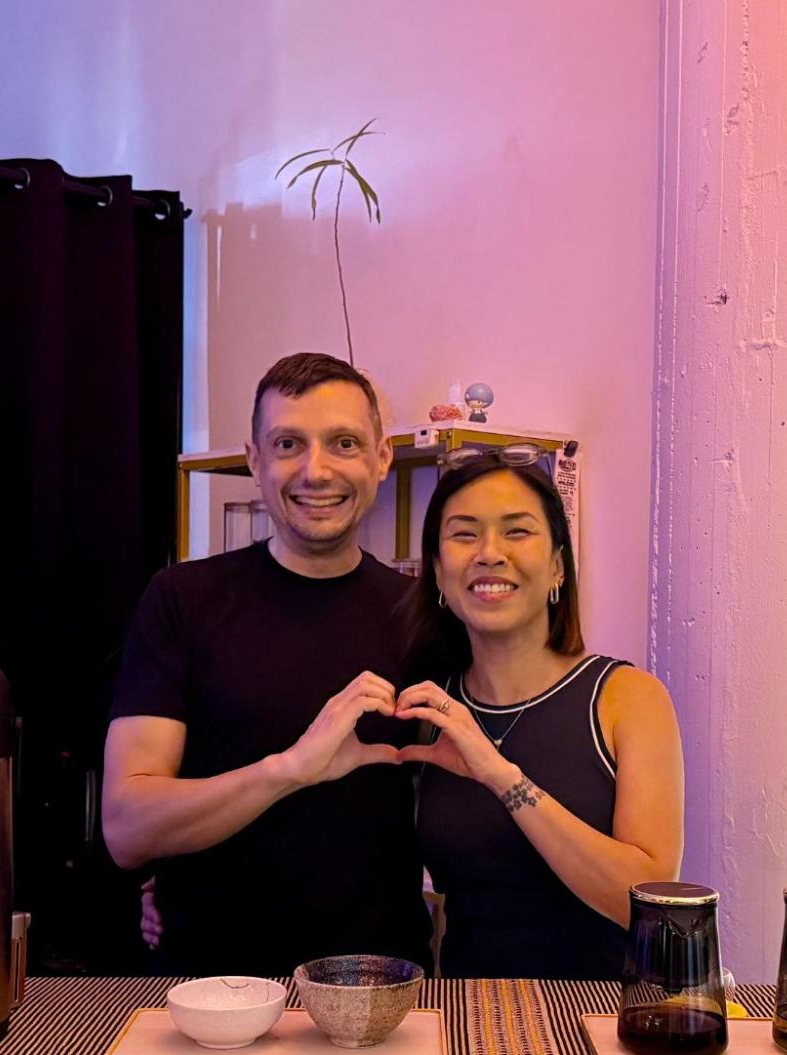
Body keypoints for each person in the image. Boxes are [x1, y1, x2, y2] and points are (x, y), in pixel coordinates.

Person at [101, 353, 429, 975]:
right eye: (288, 443)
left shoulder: (422, 617)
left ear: (381, 458)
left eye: (344, 443)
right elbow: (127, 828)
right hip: (206, 991)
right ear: (254, 459)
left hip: (377, 992)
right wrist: (290, 770)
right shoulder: (184, 601)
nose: (316, 470)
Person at [395, 448, 685, 978]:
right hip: (468, 1026)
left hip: (604, 1029)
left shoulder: (626, 697)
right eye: (463, 534)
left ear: (556, 566)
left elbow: (649, 904)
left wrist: (502, 778)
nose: (489, 553)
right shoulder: (429, 710)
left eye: (517, 531)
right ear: (437, 572)